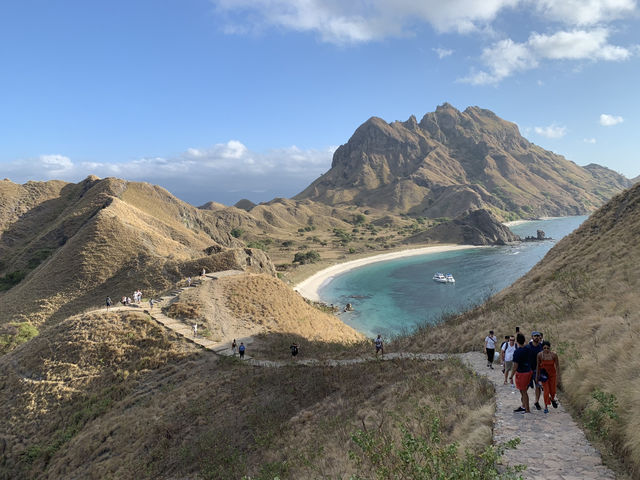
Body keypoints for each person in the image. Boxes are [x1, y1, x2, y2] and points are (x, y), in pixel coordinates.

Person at [536, 340, 560, 413]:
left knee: (553, 391)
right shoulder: (540, 355)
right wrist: (537, 376)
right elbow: (538, 366)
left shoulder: (554, 355)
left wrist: (558, 377)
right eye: (544, 348)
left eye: (547, 348)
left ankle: (552, 399)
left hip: (552, 375)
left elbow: (557, 366)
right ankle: (546, 406)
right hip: (544, 376)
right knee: (546, 391)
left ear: (550, 348)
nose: (546, 349)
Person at [512, 333, 532, 413]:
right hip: (528, 371)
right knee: (522, 390)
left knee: (523, 391)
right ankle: (524, 406)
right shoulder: (528, 348)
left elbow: (515, 365)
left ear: (517, 341)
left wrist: (511, 375)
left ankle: (527, 409)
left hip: (522, 373)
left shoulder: (517, 352)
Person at [528, 331, 544, 410]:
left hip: (538, 370)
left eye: (538, 336)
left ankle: (536, 401)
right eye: (535, 336)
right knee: (526, 386)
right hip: (529, 369)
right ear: (532, 337)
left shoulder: (541, 347)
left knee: (538, 386)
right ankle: (524, 402)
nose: (537, 337)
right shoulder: (528, 346)